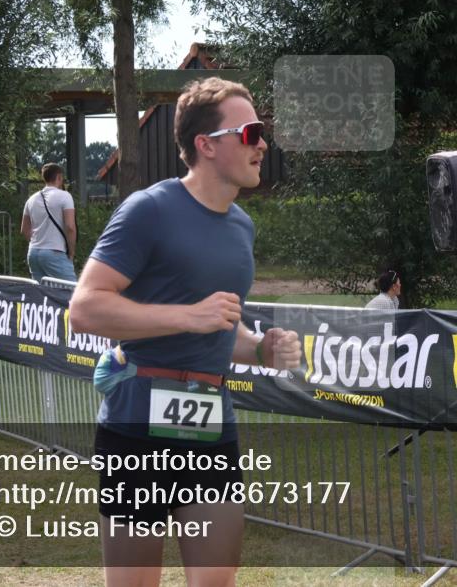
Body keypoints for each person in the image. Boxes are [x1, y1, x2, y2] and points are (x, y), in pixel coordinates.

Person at [68, 77, 302, 587]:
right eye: (251, 131)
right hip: (136, 425)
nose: (262, 143)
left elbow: (222, 326)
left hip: (210, 423)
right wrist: (186, 316)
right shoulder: (148, 209)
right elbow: (84, 309)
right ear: (206, 144)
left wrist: (261, 349)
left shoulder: (242, 225)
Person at [21, 162, 77, 281]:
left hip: (34, 253)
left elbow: (24, 230)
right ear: (59, 177)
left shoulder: (31, 199)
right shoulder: (65, 196)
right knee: (72, 293)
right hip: (55, 252)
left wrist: (38, 243)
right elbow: (70, 227)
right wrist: (71, 252)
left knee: (41, 295)